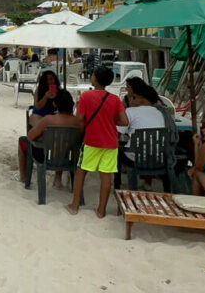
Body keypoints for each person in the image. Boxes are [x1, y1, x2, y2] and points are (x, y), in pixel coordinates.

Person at [67, 65, 128, 218]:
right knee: (106, 176)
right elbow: (124, 121)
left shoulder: (86, 96)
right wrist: (110, 120)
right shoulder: (114, 99)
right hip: (111, 142)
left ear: (95, 78)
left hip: (92, 140)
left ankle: (74, 206)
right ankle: (101, 211)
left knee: (81, 172)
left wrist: (82, 132)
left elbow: (80, 120)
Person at [17, 90, 82, 187]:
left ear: (55, 104)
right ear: (72, 104)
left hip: (45, 157)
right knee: (62, 146)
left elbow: (30, 136)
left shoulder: (49, 119)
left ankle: (23, 177)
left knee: (22, 140)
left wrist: (42, 136)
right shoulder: (78, 122)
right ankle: (58, 179)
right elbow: (79, 140)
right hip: (69, 158)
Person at [117, 77, 167, 185]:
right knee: (148, 145)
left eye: (134, 98)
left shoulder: (130, 111)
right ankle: (147, 183)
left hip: (135, 158)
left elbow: (117, 134)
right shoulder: (161, 113)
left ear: (142, 99)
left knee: (119, 150)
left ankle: (118, 183)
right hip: (159, 156)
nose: (131, 100)